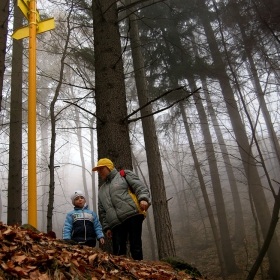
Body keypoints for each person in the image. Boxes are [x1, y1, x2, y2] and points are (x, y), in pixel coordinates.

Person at [92, 158, 151, 260]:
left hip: (133, 214)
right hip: (115, 222)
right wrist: (107, 227)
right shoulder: (101, 190)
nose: (99, 172)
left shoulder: (124, 174)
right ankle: (120, 274)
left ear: (108, 167)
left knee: (135, 245)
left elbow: (139, 187)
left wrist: (143, 199)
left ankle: (139, 268)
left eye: (101, 169)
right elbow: (102, 210)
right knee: (118, 250)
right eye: (98, 170)